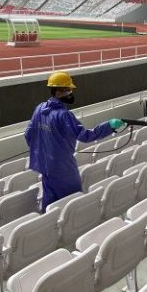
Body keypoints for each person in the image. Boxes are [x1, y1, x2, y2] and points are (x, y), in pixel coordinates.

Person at [25, 71, 124, 211]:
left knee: (49, 208)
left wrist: (43, 151)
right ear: (58, 92)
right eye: (68, 90)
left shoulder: (39, 109)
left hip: (46, 168)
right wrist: (109, 126)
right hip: (64, 169)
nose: (71, 93)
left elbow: (28, 133)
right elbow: (85, 136)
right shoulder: (63, 115)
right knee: (73, 205)